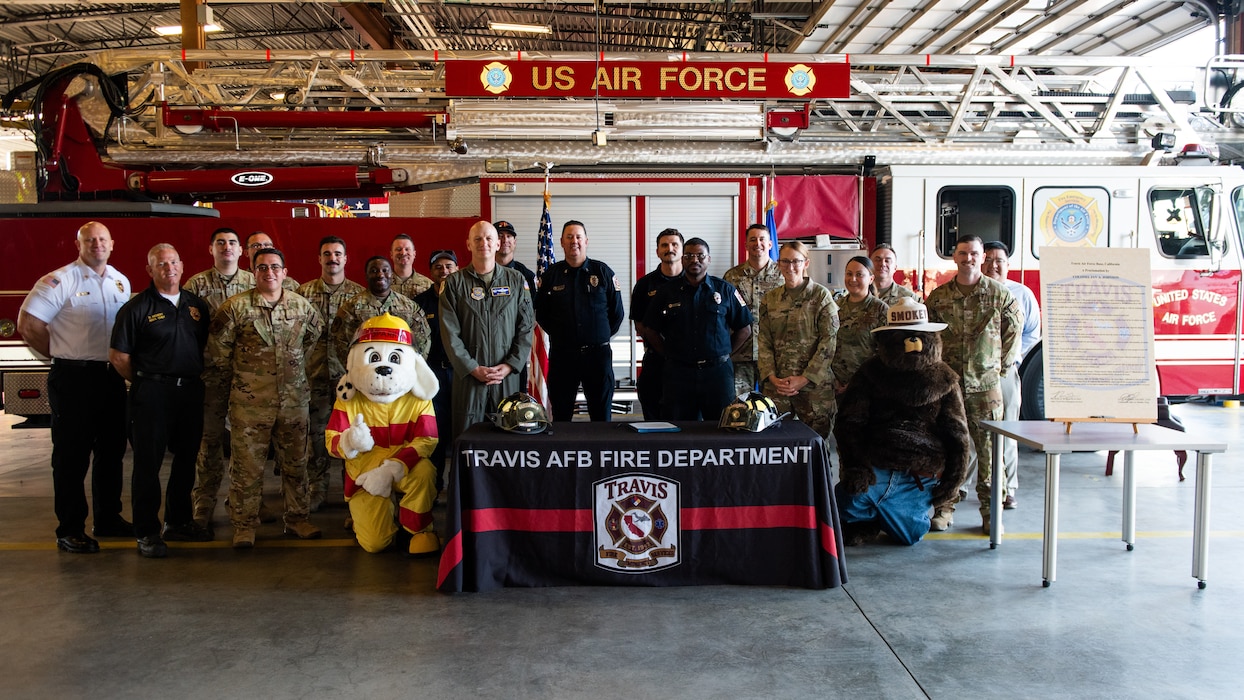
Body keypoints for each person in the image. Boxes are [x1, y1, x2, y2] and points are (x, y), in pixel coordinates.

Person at [17, 221, 131, 553]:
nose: (97, 245)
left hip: (110, 376)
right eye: (90, 240)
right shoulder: (59, 280)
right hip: (73, 378)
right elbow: (29, 323)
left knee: (112, 452)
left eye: (102, 240)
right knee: (71, 457)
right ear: (78, 244)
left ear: (112, 244)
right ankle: (69, 528)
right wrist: (61, 355)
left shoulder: (120, 282)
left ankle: (108, 519)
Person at [207, 248, 324, 548]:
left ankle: (298, 518)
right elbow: (219, 355)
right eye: (262, 268)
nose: (269, 273)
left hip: (294, 402)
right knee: (247, 468)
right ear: (253, 271)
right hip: (250, 406)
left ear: (285, 272)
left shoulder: (302, 306)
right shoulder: (235, 308)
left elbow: (312, 340)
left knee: (297, 464)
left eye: (275, 267)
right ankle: (244, 525)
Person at [109, 244, 212, 557]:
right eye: (161, 264)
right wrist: (146, 381)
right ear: (150, 270)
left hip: (190, 391)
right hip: (152, 394)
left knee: (186, 459)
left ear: (181, 266)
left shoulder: (196, 305)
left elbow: (201, 343)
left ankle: (178, 521)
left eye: (173, 263)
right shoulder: (136, 308)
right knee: (148, 464)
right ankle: (147, 531)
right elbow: (119, 356)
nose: (168, 269)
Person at [925, 235, 1021, 535]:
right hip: (950, 388)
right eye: (963, 253)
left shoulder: (998, 294)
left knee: (991, 451)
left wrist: (1000, 366)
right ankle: (944, 508)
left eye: (974, 254)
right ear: (954, 257)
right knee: (948, 448)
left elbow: (1013, 329)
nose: (969, 258)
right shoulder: (938, 298)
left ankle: (991, 514)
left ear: (983, 258)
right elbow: (930, 340)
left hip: (986, 388)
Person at [185, 227, 273, 531]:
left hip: (248, 379)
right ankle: (204, 503)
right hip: (210, 378)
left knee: (246, 445)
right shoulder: (196, 285)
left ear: (242, 251)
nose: (227, 247)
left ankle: (247, 502)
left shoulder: (255, 282)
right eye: (220, 243)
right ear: (211, 249)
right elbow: (187, 332)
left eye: (232, 243)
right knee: (209, 443)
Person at [439, 221, 535, 440]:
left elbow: (525, 326)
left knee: (509, 438)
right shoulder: (454, 283)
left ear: (498, 244)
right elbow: (449, 332)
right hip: (469, 377)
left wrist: (511, 365)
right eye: (478, 239)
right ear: (468, 245)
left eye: (489, 238)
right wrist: (472, 368)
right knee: (467, 440)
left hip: (506, 376)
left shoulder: (517, 281)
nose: (484, 243)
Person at [641, 238, 752, 421]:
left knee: (721, 427)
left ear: (709, 259)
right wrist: (668, 353)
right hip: (678, 375)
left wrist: (725, 353)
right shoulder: (666, 292)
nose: (695, 260)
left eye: (700, 255)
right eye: (689, 256)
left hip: (717, 375)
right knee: (677, 429)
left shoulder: (725, 290)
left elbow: (744, 328)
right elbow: (650, 329)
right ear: (683, 260)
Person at [297, 236, 364, 511]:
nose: (332, 258)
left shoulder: (359, 297)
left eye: (338, 253)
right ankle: (317, 490)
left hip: (348, 381)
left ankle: (353, 491)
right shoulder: (302, 294)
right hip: (312, 379)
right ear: (319, 259)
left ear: (346, 259)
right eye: (327, 253)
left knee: (351, 436)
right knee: (315, 438)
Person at [535, 220, 626, 421]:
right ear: (561, 242)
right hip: (563, 356)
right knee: (561, 414)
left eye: (578, 236)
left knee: (601, 414)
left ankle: (601, 452)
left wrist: (596, 336)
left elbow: (617, 314)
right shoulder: (551, 275)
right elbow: (541, 313)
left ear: (586, 240)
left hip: (597, 356)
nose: (574, 241)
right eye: (569, 237)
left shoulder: (602, 272)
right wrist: (563, 334)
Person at [756, 241, 840, 438]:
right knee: (775, 448)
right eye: (785, 261)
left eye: (796, 261)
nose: (790, 267)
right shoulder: (770, 299)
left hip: (814, 389)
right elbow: (764, 341)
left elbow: (829, 342)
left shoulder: (821, 296)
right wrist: (771, 377)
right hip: (778, 387)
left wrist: (804, 378)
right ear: (778, 264)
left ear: (806, 263)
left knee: (816, 448)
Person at [983, 241, 1042, 510]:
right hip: (972, 374)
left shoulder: (1022, 294)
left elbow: (1032, 332)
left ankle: (1007, 487)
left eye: (1000, 260)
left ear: (1007, 264)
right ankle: (959, 489)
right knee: (968, 435)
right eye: (989, 259)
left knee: (1007, 430)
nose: (994, 265)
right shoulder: (974, 292)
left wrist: (1014, 357)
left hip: (1006, 373)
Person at [412, 249, 459, 493]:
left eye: (449, 266)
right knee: (435, 432)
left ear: (457, 270)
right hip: (432, 377)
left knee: (461, 431)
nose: (444, 271)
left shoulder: (466, 298)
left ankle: (458, 485)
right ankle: (434, 483)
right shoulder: (420, 303)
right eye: (438, 267)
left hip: (461, 375)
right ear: (430, 272)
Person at [333, 256, 431, 365]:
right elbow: (340, 344)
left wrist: (410, 367)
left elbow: (423, 341)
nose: (380, 275)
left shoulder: (409, 307)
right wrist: (355, 370)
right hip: (364, 373)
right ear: (366, 276)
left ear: (392, 275)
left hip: (401, 373)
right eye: (374, 271)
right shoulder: (351, 308)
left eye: (385, 270)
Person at [723, 223, 784, 396]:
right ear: (746, 245)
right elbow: (724, 315)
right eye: (753, 239)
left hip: (774, 356)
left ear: (770, 244)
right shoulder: (732, 276)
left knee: (773, 408)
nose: (758, 243)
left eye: (762, 239)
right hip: (740, 355)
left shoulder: (783, 275)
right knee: (740, 407)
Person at [630, 228, 684, 419]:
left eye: (675, 244)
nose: (670, 248)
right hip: (656, 360)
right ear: (657, 251)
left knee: (687, 420)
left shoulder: (695, 282)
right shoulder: (645, 285)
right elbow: (639, 324)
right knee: (652, 414)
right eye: (664, 245)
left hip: (687, 365)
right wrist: (664, 350)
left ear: (682, 250)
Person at [833, 256, 890, 394]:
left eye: (859, 275)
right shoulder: (834, 307)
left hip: (867, 386)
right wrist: (832, 379)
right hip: (833, 386)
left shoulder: (881, 310)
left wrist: (858, 382)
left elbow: (886, 353)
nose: (853, 279)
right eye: (849, 274)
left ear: (871, 278)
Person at [494, 220, 537, 292]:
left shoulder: (526, 275)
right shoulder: (483, 272)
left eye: (508, 236)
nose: (505, 240)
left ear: (514, 242)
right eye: (500, 236)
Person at [391, 233, 434, 299]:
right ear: (391, 254)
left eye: (407, 249)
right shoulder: (382, 284)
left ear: (414, 254)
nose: (403, 253)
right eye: (398, 249)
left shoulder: (428, 286)